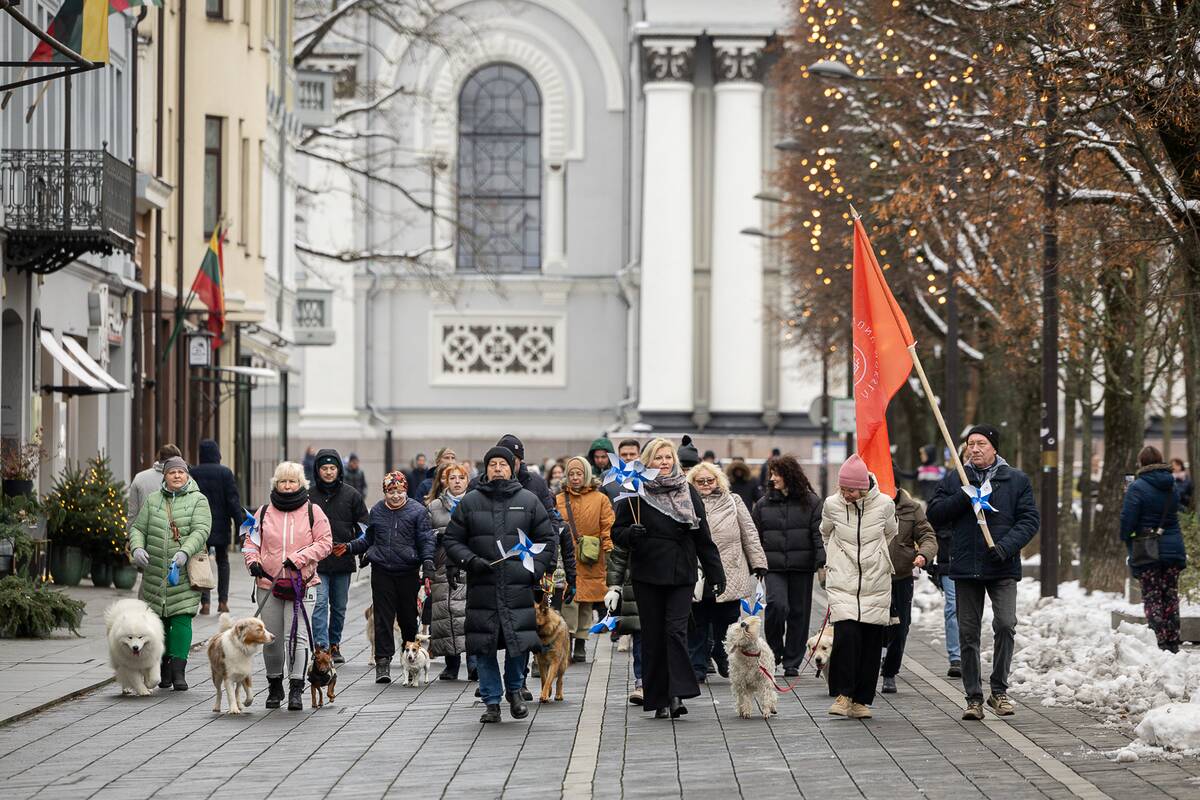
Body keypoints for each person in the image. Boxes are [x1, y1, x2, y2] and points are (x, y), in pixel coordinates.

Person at [927, 424, 1039, 721]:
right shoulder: (954, 479)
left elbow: (1029, 520)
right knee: (968, 633)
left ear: (994, 448)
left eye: (981, 444)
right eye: (970, 444)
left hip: (1001, 565)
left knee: (1005, 624)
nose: (974, 449)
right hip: (966, 567)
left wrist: (1005, 547)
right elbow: (934, 515)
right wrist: (962, 498)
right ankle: (973, 697)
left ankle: (999, 690)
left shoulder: (1015, 480)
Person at [611, 438, 725, 719]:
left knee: (675, 631)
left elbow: (703, 536)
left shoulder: (688, 491)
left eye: (668, 457)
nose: (664, 462)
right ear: (647, 462)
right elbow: (617, 533)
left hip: (680, 572)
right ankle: (658, 697)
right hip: (647, 573)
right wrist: (630, 534)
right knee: (653, 636)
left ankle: (676, 694)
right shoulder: (634, 491)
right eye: (658, 458)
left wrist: (715, 572)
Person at [443, 446, 555, 723]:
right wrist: (470, 561)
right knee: (484, 645)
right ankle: (491, 701)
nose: (497, 468)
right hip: (483, 586)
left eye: (502, 464)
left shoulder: (528, 500)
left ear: (512, 468)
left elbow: (546, 540)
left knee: (518, 642)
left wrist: (534, 571)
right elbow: (452, 540)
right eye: (492, 464)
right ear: (486, 469)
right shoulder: (471, 501)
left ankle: (515, 691)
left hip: (518, 586)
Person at [244, 462, 332, 710]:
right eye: (283, 481)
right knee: (271, 639)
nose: (287, 485)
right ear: (276, 484)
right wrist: (253, 562)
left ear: (301, 484)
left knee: (297, 638)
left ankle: (296, 688)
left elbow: (325, 543)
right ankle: (274, 686)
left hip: (302, 584)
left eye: (292, 481)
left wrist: (299, 558)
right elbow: (251, 542)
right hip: (268, 584)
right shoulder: (262, 513)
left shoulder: (314, 512)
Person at [334, 471, 434, 684]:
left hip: (408, 570)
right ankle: (382, 662)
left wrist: (428, 564)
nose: (395, 495)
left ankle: (411, 657)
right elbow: (368, 539)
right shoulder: (378, 510)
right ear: (385, 492)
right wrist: (350, 547)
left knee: (408, 618)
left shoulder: (418, 511)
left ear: (405, 490)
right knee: (382, 618)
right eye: (391, 491)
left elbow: (426, 540)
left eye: (399, 491)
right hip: (382, 571)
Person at [820, 455, 897, 720]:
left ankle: (862, 700)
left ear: (864, 488)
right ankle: (843, 695)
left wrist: (876, 556)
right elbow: (825, 532)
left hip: (875, 580)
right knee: (847, 637)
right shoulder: (832, 505)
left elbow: (890, 532)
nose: (846, 494)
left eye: (851, 490)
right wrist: (835, 557)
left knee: (870, 644)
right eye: (842, 489)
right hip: (843, 580)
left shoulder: (885, 504)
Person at [128, 456, 211, 692]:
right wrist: (137, 548)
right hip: (155, 573)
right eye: (172, 472)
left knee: (181, 617)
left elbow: (201, 530)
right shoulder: (153, 500)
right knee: (157, 622)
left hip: (183, 573)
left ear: (187, 475)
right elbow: (138, 528)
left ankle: (178, 671)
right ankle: (162, 669)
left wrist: (185, 552)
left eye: (181, 472)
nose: (176, 476)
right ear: (164, 476)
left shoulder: (198, 500)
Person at [686, 461, 767, 683]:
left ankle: (725, 659)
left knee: (728, 622)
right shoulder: (685, 502)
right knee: (698, 622)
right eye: (699, 481)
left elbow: (749, 533)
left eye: (709, 480)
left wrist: (758, 561)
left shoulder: (734, 501)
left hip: (729, 570)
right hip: (699, 572)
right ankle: (697, 667)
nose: (705, 484)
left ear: (718, 480)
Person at [752, 454, 824, 677]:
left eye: (777, 474)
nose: (772, 478)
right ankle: (774, 652)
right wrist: (756, 563)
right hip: (773, 567)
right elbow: (755, 536)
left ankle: (792, 660)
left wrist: (822, 564)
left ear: (789, 476)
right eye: (771, 474)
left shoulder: (811, 502)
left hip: (802, 567)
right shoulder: (763, 505)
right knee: (776, 605)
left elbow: (818, 534)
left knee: (799, 614)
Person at [1121, 446, 1188, 652]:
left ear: (1141, 463)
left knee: (1152, 596)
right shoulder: (1172, 485)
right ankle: (1173, 642)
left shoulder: (1137, 487)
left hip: (1147, 549)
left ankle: (1159, 643)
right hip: (1173, 547)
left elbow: (1128, 521)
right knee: (1170, 596)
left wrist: (1126, 538)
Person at [310, 448, 368, 665]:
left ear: (338, 470)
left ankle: (335, 644)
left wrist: (359, 548)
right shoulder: (308, 496)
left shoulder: (352, 495)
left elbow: (364, 526)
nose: (328, 472)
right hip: (317, 561)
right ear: (317, 470)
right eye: (324, 468)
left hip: (343, 558)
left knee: (339, 605)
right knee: (320, 603)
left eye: (332, 468)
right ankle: (321, 646)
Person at [556, 456, 615, 663]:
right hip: (567, 557)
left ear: (586, 475)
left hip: (591, 556)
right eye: (571, 474)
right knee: (569, 600)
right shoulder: (559, 499)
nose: (574, 478)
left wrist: (608, 551)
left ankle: (581, 642)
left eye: (579, 474)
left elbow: (608, 526)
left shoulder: (600, 499)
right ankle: (569, 640)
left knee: (587, 603)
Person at [880, 487, 938, 693]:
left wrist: (924, 554)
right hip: (873, 577)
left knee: (900, 626)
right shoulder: (866, 505)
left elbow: (928, 535)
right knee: (872, 626)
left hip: (901, 576)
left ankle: (889, 672)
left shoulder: (912, 508)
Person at [426, 462, 471, 679]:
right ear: (445, 481)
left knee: (468, 614)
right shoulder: (435, 506)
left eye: (460, 478)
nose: (456, 482)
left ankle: (474, 662)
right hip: (442, 564)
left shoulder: (475, 502)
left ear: (467, 481)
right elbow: (426, 535)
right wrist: (439, 535)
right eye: (452, 478)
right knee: (445, 614)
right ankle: (451, 662)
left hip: (468, 564)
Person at [189, 439, 240, 616]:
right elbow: (233, 501)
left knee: (202, 561)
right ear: (217, 454)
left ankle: (205, 603)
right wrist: (241, 525)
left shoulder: (194, 472)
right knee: (223, 561)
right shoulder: (225, 473)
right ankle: (223, 601)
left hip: (200, 525)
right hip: (221, 524)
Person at [128, 444, 182, 523]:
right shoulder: (185, 480)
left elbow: (133, 514)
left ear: (159, 458)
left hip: (145, 532)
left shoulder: (139, 478)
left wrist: (130, 534)